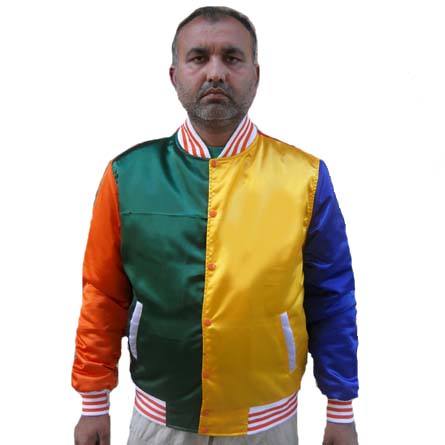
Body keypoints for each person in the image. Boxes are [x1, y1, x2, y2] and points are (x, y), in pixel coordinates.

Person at [72, 6, 359, 445]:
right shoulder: (127, 176)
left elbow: (332, 295)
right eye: (199, 57)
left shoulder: (305, 178)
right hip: (159, 416)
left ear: (256, 75)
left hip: (268, 421)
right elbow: (103, 293)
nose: (215, 72)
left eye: (232, 57)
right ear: (174, 76)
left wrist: (340, 409)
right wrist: (94, 402)